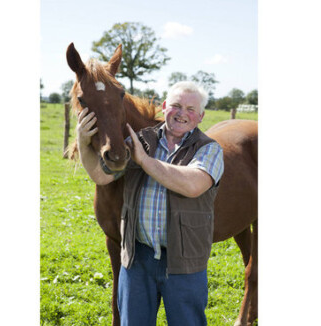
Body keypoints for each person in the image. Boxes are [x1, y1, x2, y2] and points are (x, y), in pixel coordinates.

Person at [76, 81, 224, 326]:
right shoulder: (140, 140)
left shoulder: (209, 149)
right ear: (165, 107)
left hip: (184, 262)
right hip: (137, 259)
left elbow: (193, 185)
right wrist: (82, 143)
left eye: (190, 109)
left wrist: (144, 161)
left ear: (200, 116)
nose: (181, 113)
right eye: (176, 105)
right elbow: (101, 176)